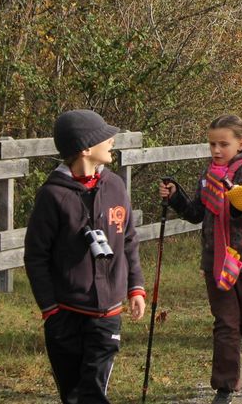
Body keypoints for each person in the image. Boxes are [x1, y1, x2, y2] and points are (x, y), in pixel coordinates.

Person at [24, 110, 145, 404]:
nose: (112, 141)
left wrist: (135, 287)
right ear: (85, 148)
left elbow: (128, 240)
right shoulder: (52, 196)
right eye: (105, 136)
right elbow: (35, 255)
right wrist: (50, 308)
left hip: (108, 315)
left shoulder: (115, 185)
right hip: (65, 313)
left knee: (93, 391)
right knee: (72, 394)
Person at [159, 115, 242, 404]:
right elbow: (196, 213)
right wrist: (175, 197)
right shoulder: (208, 174)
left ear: (240, 142)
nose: (216, 150)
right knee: (225, 322)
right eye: (212, 143)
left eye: (223, 144)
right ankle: (225, 386)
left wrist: (239, 207)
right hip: (215, 257)